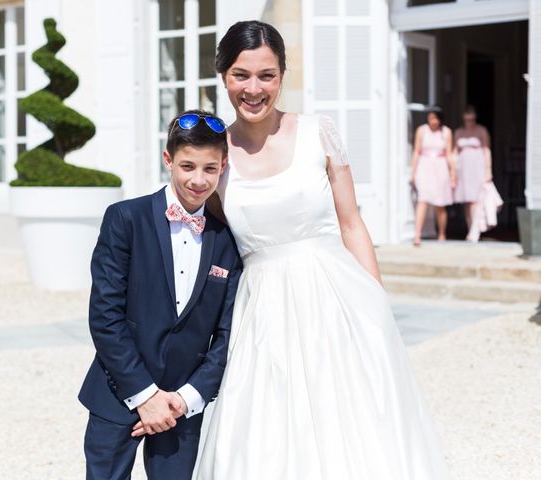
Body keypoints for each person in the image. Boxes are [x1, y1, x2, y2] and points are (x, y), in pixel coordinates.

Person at [196, 21, 448, 479]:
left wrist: (376, 309)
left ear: (283, 75)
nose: (253, 89)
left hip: (336, 300)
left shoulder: (319, 133)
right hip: (262, 313)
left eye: (267, 75)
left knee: (352, 423)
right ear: (222, 75)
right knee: (268, 432)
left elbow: (352, 224)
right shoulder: (216, 155)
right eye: (240, 74)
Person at [78, 110, 241, 480]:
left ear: (223, 166)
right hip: (118, 391)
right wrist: (145, 395)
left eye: (210, 169)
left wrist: (188, 397)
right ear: (168, 159)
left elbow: (228, 334)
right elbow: (105, 315)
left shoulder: (228, 241)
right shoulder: (125, 219)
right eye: (187, 166)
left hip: (183, 405)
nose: (198, 180)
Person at [410, 110, 456, 246]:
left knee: (440, 203)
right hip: (425, 166)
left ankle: (442, 233)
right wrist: (413, 172)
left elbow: (449, 153)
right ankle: (417, 234)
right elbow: (416, 151)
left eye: (435, 119)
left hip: (440, 167)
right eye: (430, 118)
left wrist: (453, 172)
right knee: (422, 200)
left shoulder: (446, 132)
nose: (433, 122)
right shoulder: (422, 130)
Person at [453, 105, 493, 237]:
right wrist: (453, 171)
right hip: (463, 169)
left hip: (478, 167)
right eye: (467, 119)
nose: (469, 122)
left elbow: (486, 150)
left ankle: (475, 231)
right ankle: (471, 227)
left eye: (471, 119)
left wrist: (488, 170)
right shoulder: (458, 132)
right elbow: (454, 152)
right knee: (467, 200)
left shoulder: (482, 131)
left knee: (477, 199)